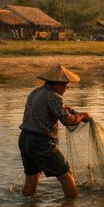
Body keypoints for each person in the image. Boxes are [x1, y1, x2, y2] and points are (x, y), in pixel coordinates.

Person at [18, 64, 92, 198]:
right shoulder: (54, 97)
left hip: (24, 139)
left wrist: (65, 109)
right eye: (65, 84)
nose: (67, 87)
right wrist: (82, 116)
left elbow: (45, 112)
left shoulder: (36, 92)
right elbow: (68, 121)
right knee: (66, 174)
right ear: (57, 83)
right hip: (41, 143)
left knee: (32, 177)